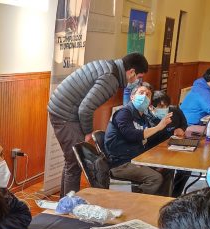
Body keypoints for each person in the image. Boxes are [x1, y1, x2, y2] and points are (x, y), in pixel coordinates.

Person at [48, 52, 149, 195]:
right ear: (131, 71)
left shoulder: (109, 66)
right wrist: (88, 132)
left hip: (63, 108)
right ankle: (68, 209)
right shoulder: (111, 79)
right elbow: (85, 109)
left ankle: (64, 203)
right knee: (75, 163)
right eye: (138, 77)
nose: (137, 82)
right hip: (65, 113)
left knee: (72, 161)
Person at [103, 83, 175, 194]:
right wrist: (158, 127)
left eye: (148, 95)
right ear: (132, 97)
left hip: (138, 158)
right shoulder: (123, 113)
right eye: (141, 93)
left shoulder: (143, 117)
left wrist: (165, 127)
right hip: (121, 163)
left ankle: (161, 204)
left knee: (167, 169)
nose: (144, 96)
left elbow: (151, 137)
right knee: (155, 178)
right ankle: (139, 202)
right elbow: (132, 135)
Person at [153, 92, 192, 196]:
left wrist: (181, 129)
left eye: (166, 105)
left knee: (186, 169)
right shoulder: (149, 117)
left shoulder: (175, 111)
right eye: (161, 106)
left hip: (174, 146)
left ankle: (175, 195)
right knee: (167, 169)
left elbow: (184, 123)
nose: (164, 108)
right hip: (156, 150)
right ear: (152, 107)